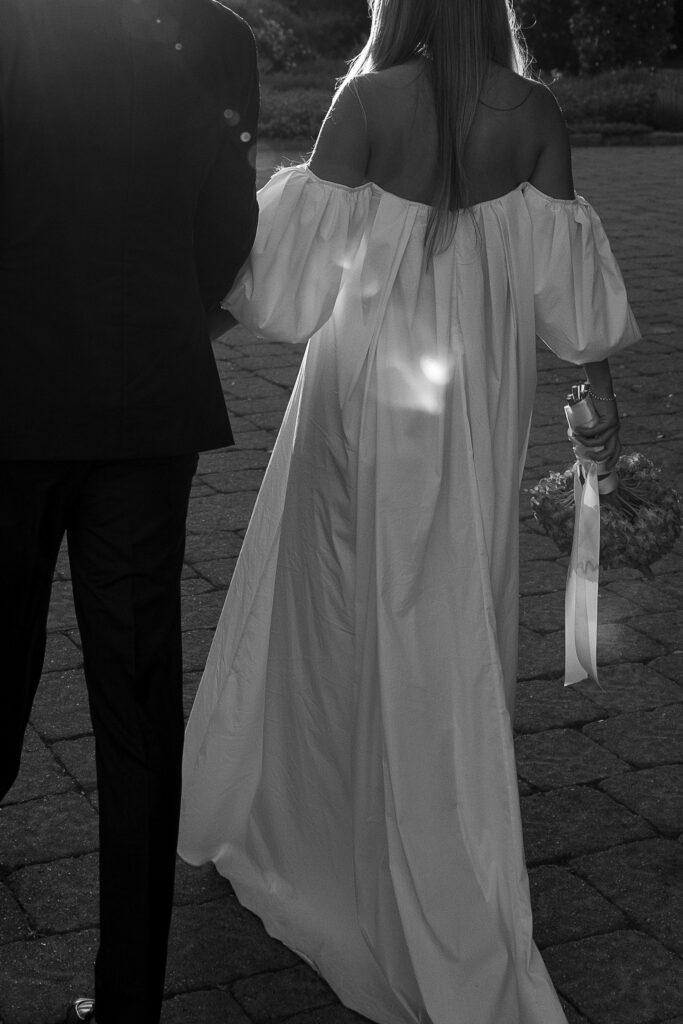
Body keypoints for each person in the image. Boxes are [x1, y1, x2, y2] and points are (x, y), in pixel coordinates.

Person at [178, 1, 640, 1022]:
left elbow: (286, 278)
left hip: (363, 395)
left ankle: (328, 815)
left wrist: (170, 327)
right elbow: (566, 277)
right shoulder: (533, 113)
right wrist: (596, 392)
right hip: (472, 396)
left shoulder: (368, 103)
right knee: (448, 593)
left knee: (341, 594)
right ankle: (437, 816)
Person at [0, 1, 258, 1022]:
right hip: (147, 411)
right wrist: (164, 318)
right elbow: (227, 224)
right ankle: (128, 1000)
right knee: (140, 708)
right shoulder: (175, 68)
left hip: (11, 411)